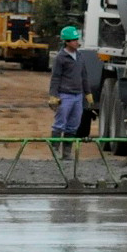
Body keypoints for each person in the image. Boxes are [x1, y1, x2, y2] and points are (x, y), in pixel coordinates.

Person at [48, 26, 92, 159]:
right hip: (65, 95)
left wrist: (88, 93)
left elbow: (84, 76)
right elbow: (55, 77)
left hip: (78, 96)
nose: (76, 42)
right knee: (60, 123)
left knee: (73, 125)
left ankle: (67, 153)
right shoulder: (61, 58)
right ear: (66, 42)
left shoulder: (80, 56)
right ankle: (55, 150)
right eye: (73, 40)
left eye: (77, 39)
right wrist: (53, 95)